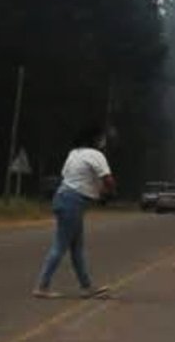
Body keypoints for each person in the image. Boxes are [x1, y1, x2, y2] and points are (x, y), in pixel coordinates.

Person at [34, 126, 116, 299]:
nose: (103, 141)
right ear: (93, 139)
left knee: (76, 248)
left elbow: (68, 176)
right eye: (101, 138)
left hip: (64, 197)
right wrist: (108, 194)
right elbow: (108, 179)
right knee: (60, 245)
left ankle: (86, 287)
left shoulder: (74, 153)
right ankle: (42, 286)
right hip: (73, 201)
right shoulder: (96, 155)